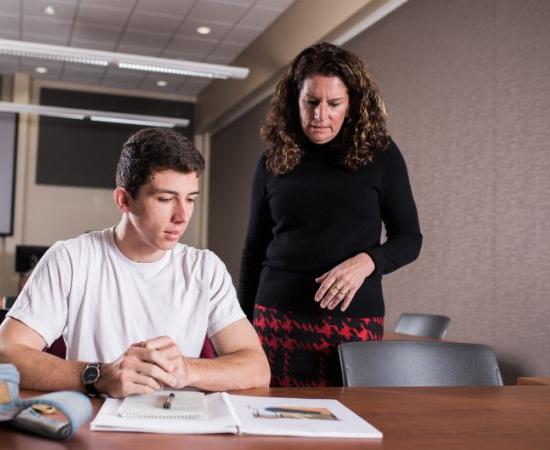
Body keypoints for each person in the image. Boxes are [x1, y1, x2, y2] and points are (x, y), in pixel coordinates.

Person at [0, 128, 270, 398]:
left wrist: (187, 370)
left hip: (175, 427)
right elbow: (6, 352)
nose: (182, 216)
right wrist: (97, 376)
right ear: (124, 200)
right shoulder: (71, 259)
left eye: (190, 199)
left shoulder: (205, 269)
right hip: (94, 426)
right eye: (165, 199)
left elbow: (257, 367)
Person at [239, 42, 422, 387]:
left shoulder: (381, 155)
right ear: (295, 100)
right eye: (311, 102)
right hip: (275, 318)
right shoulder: (273, 159)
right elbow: (254, 250)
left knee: (351, 428)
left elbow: (409, 238)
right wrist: (242, 325)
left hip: (352, 323)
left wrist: (368, 261)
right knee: (271, 429)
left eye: (334, 103)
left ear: (352, 105)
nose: (320, 114)